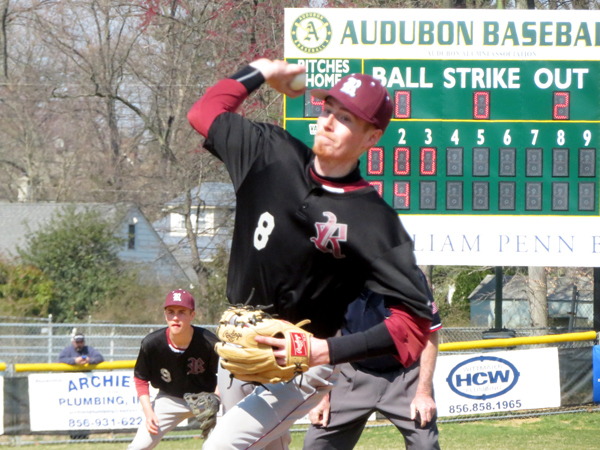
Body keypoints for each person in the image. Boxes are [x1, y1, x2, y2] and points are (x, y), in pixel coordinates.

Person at [188, 59, 433, 450]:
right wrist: (261, 71)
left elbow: (416, 323)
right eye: (328, 110)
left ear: (373, 138)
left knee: (221, 446)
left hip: (300, 366)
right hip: (238, 345)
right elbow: (204, 113)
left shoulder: (373, 222)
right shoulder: (270, 153)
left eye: (347, 119)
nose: (329, 123)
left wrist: (326, 350)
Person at [303, 271, 442, 450]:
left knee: (426, 445)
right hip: (351, 373)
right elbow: (322, 335)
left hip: (405, 375)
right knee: (317, 444)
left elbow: (429, 335)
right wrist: (321, 394)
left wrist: (423, 393)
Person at [128, 289, 219, 450]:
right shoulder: (152, 344)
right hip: (170, 399)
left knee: (220, 445)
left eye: (182, 312)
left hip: (207, 398)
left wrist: (218, 399)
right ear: (165, 315)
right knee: (138, 447)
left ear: (192, 315)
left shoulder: (209, 342)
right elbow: (141, 379)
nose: (175, 317)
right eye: (171, 312)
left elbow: (227, 373)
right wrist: (149, 413)